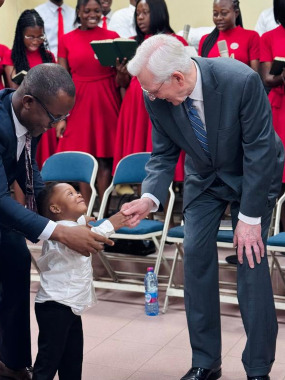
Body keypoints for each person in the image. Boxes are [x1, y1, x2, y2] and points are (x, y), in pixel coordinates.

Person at [121, 34, 284, 380]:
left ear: (177, 78)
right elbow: (163, 154)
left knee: (250, 260)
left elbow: (259, 151)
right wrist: (149, 198)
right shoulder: (155, 93)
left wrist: (250, 219)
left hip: (252, 175)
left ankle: (258, 369)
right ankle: (206, 362)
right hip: (205, 177)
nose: (150, 97)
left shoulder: (240, 80)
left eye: (154, 91)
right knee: (194, 254)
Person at [0, 63, 113, 380]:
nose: (56, 125)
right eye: (53, 118)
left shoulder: (30, 122)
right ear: (29, 102)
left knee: (16, 259)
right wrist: (58, 232)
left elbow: (29, 172)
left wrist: (70, 218)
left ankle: (12, 362)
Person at [33, 182, 129, 380]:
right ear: (55, 208)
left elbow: (75, 227)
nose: (78, 194)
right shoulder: (64, 233)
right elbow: (94, 236)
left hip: (69, 305)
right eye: (70, 193)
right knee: (49, 361)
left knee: (72, 358)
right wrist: (115, 220)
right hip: (56, 306)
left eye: (76, 191)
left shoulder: (69, 227)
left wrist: (80, 220)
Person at [113, 0, 194, 184]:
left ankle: (163, 199)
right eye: (138, 14)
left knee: (159, 149)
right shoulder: (133, 42)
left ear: (158, 13)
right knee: (138, 154)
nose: (140, 18)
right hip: (135, 104)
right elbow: (123, 82)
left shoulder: (174, 42)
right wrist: (121, 72)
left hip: (161, 102)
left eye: (145, 13)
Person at [56, 0, 121, 203]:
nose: (92, 14)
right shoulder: (66, 39)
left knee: (104, 157)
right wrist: (61, 116)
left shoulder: (113, 38)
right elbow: (61, 79)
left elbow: (122, 78)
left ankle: (103, 209)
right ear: (78, 12)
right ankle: (84, 210)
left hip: (106, 98)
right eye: (87, 11)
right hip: (78, 101)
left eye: (97, 11)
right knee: (82, 157)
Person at [2, 9, 57, 170]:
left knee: (45, 165)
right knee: (22, 167)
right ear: (21, 35)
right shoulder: (12, 57)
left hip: (46, 117)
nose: (35, 41)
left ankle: (43, 196)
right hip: (23, 118)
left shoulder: (48, 57)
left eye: (40, 36)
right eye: (30, 37)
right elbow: (13, 87)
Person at [260, 0, 285, 228]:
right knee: (279, 171)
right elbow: (266, 77)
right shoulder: (269, 37)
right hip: (279, 108)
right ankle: (278, 231)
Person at [199, 0, 260, 72]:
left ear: (236, 13)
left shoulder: (251, 36)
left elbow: (255, 74)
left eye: (224, 13)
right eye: (215, 14)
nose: (219, 18)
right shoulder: (205, 39)